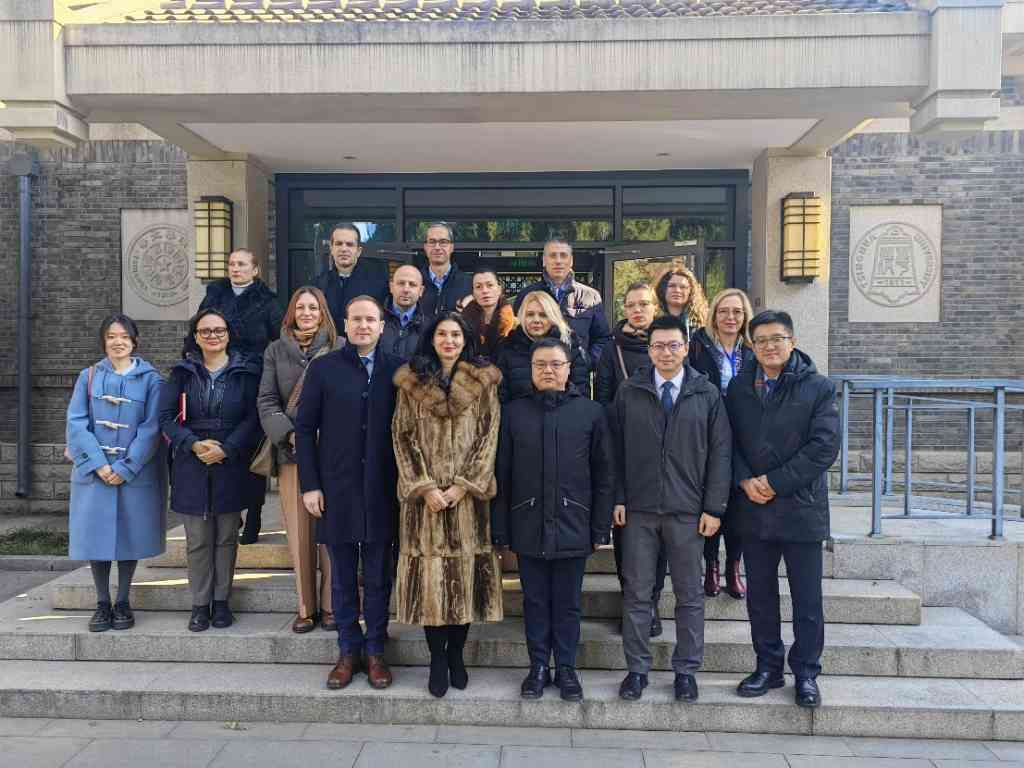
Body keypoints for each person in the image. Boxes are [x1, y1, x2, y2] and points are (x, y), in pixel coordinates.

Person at [609, 315, 732, 703]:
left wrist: (713, 507)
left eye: (673, 345)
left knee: (689, 595)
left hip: (688, 511)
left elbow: (720, 454)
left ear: (686, 348)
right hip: (639, 511)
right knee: (637, 594)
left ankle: (686, 671)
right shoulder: (630, 391)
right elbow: (613, 451)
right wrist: (618, 497)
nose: (666, 352)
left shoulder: (705, 393)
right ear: (649, 350)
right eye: (658, 346)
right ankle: (637, 670)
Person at [726, 310, 839, 709]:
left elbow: (823, 447)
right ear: (752, 346)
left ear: (792, 341)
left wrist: (774, 482)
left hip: (801, 508)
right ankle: (768, 667)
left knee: (807, 600)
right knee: (760, 597)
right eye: (761, 341)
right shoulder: (739, 388)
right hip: (753, 508)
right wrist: (744, 479)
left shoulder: (818, 388)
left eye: (777, 338)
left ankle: (806, 672)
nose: (770, 346)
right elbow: (727, 441)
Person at [493, 338, 614, 702]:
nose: (548, 370)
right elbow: (502, 474)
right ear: (530, 370)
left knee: (567, 603)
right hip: (527, 521)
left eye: (555, 364)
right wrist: (500, 528)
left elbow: (604, 475)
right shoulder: (513, 413)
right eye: (540, 364)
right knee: (534, 602)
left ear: (568, 369)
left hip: (573, 522)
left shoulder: (591, 413)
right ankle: (537, 668)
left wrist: (600, 527)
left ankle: (566, 668)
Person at [392, 312, 503, 698]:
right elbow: (402, 435)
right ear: (432, 338)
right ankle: (436, 659)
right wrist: (424, 487)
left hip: (467, 501)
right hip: (424, 504)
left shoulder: (483, 380)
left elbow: (489, 434)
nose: (449, 340)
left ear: (466, 339)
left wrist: (463, 486)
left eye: (456, 334)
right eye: (442, 334)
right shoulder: (412, 381)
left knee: (464, 582)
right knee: (430, 585)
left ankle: (457, 654)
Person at [294, 295, 403, 690]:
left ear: (382, 326)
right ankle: (347, 650)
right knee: (341, 576)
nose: (363, 326)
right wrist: (310, 485)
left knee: (377, 575)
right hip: (336, 488)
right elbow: (304, 428)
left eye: (370, 320)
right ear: (344, 323)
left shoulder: (398, 370)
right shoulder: (324, 368)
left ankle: (375, 651)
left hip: (383, 489)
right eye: (356, 319)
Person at [159, 309, 262, 632]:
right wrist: (192, 444)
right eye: (205, 331)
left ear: (228, 335)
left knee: (227, 537)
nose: (213, 336)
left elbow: (254, 417)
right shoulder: (182, 373)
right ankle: (200, 604)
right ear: (196, 336)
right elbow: (165, 417)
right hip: (191, 463)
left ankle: (221, 603)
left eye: (218, 330)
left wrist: (227, 448)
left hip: (231, 462)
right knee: (198, 540)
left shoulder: (245, 372)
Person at [67, 314, 167, 633]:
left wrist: (126, 467)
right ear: (104, 341)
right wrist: (99, 463)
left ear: (134, 341)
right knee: (95, 537)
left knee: (129, 536)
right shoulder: (88, 376)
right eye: (111, 336)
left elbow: (152, 428)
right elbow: (76, 422)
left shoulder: (153, 380)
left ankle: (122, 601)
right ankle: (101, 602)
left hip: (134, 474)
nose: (118, 342)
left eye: (124, 336)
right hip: (94, 473)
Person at [258, 286, 343, 634]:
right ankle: (306, 607)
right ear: (291, 312)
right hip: (292, 453)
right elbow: (266, 401)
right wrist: (293, 435)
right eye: (301, 307)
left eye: (313, 307)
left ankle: (332, 605)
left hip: (334, 454)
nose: (306, 313)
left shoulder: (339, 347)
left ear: (323, 312)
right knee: (299, 533)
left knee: (332, 532)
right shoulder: (275, 350)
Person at [594, 282, 667, 638]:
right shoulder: (612, 349)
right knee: (627, 538)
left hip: (665, 454)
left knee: (661, 539)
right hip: (625, 450)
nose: (638, 310)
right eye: (631, 305)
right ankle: (631, 602)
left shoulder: (669, 345)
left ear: (654, 308)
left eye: (644, 304)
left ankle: (652, 603)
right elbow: (603, 400)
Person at [196, 248, 281, 544]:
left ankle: (254, 514)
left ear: (255, 270)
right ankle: (232, 511)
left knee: (251, 449)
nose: (235, 268)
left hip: (253, 380)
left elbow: (278, 343)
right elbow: (198, 329)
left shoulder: (268, 302)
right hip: (218, 377)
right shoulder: (215, 294)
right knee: (221, 444)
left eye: (242, 264)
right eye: (232, 264)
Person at [688, 288, 757, 600]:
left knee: (738, 507)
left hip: (745, 437)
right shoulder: (697, 347)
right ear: (714, 314)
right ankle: (711, 566)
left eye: (737, 312)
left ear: (745, 317)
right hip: (709, 434)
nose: (731, 317)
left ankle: (733, 567)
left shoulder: (752, 351)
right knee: (712, 501)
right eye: (724, 311)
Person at [514, 238, 612, 367]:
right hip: (538, 373)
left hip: (577, 375)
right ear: (544, 260)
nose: (558, 261)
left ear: (571, 261)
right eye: (553, 255)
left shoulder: (590, 296)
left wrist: (587, 362)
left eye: (563, 255)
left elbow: (602, 339)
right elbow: (517, 336)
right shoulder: (527, 295)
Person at [496, 290, 589, 401]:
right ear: (522, 317)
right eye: (530, 315)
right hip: (518, 411)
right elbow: (502, 395)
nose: (536, 320)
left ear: (553, 317)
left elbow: (581, 390)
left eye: (543, 315)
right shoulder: (509, 347)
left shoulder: (569, 345)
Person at [313, 223, 390, 332]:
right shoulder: (318, 285)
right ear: (331, 248)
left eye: (349, 244)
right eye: (339, 244)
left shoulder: (378, 285)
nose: (344, 249)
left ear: (358, 251)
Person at [460, 268, 516, 361]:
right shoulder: (462, 323)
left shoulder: (514, 324)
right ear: (473, 293)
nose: (485, 291)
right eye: (478, 287)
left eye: (490, 285)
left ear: (499, 289)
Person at [419, 222, 473, 317]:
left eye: (443, 242)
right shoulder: (414, 283)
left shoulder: (469, 284)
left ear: (451, 247)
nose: (437, 247)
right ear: (425, 247)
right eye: (432, 242)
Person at [380, 264, 426, 361]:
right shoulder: (375, 319)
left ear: (421, 291)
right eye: (401, 283)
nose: (406, 290)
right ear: (391, 287)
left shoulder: (429, 326)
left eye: (412, 284)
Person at [655, 265, 708, 340]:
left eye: (683, 287)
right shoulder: (653, 321)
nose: (677, 290)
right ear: (662, 289)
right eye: (672, 286)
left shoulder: (703, 324)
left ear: (691, 291)